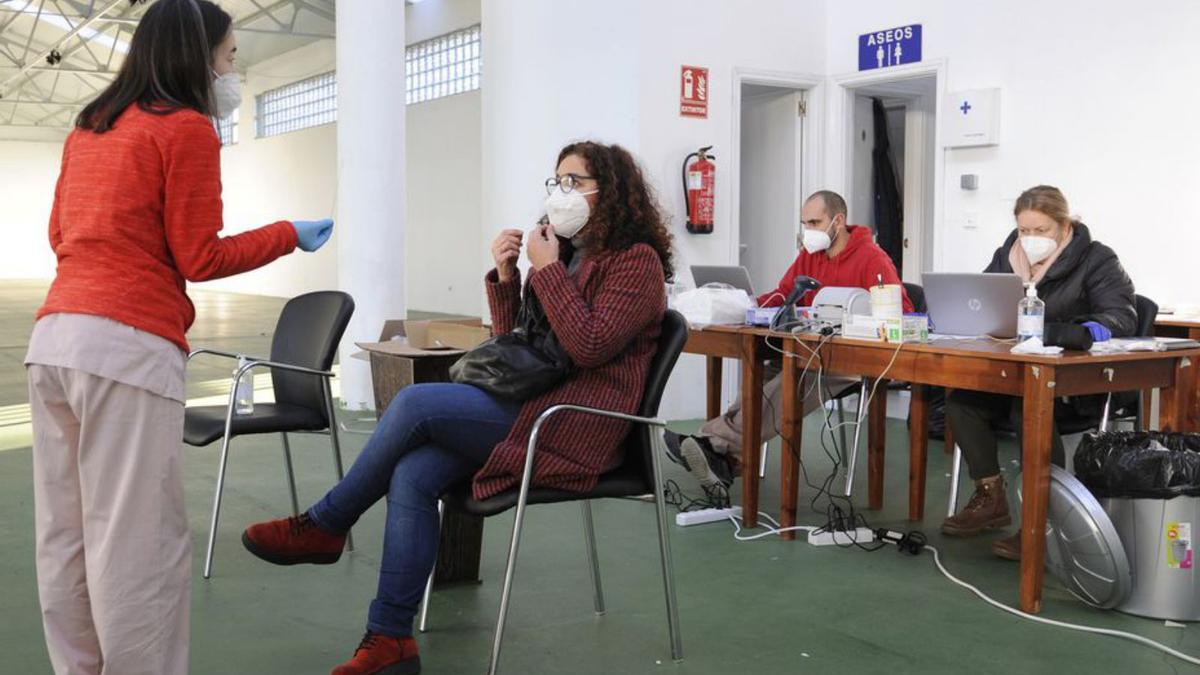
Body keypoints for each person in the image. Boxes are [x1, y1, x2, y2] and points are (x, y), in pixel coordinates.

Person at [240, 141, 673, 675]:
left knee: (416, 402)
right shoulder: (570, 254)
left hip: (577, 426)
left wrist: (550, 270)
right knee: (414, 473)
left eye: (574, 182)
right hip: (534, 404)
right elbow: (524, 343)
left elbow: (588, 346)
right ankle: (390, 640)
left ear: (612, 193)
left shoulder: (636, 262)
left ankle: (326, 523)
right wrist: (510, 276)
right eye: (556, 181)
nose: (560, 193)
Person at [24, 2, 335, 674]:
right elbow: (201, 257)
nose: (232, 71)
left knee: (65, 533)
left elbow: (60, 236)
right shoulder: (188, 129)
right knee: (137, 541)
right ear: (198, 57)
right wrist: (289, 231)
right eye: (228, 57)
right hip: (127, 350)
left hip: (53, 342)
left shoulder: (90, 127)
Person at [664, 190, 912, 493]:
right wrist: (747, 305)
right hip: (809, 351)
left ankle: (711, 442)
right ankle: (727, 459)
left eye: (815, 222)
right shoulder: (810, 256)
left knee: (790, 381)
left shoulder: (872, 258)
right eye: (804, 223)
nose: (809, 230)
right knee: (759, 374)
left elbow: (903, 311)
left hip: (851, 362)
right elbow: (784, 293)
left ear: (839, 220)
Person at [941, 185, 1136, 560]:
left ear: (1065, 226)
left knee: (1028, 408)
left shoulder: (1096, 259)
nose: (1030, 239)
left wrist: (1089, 330)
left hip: (1072, 385)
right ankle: (991, 496)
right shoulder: (1008, 255)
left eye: (1040, 231)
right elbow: (981, 297)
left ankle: (1043, 520)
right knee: (962, 402)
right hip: (1014, 374)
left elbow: (1122, 315)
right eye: (1024, 230)